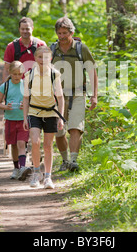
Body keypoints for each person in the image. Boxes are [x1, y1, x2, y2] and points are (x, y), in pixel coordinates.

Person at [51, 17, 98, 172]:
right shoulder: (52, 50)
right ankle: (64, 160)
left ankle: (73, 160)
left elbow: (92, 72)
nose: (62, 36)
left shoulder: (81, 48)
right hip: (57, 96)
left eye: (65, 33)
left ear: (71, 32)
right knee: (59, 131)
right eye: (59, 33)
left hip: (78, 93)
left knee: (75, 128)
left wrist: (94, 95)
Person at [23, 46, 65, 189]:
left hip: (51, 113)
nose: (42, 60)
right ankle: (36, 173)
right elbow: (26, 98)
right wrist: (24, 118)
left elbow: (60, 97)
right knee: (35, 141)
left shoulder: (54, 74)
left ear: (50, 59)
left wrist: (61, 117)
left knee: (47, 146)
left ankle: (47, 177)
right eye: (40, 57)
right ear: (35, 58)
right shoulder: (29, 75)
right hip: (34, 112)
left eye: (46, 57)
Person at [0, 61, 32, 180]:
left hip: (23, 120)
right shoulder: (5, 86)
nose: (17, 76)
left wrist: (25, 106)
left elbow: (31, 102)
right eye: (15, 74)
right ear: (10, 73)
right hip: (10, 120)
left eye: (19, 74)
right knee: (14, 145)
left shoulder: (25, 85)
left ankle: (22, 168)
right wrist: (5, 106)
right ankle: (16, 168)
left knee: (22, 143)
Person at [2, 17, 46, 81]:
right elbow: (6, 70)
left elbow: (47, 67)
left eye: (27, 29)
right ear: (19, 29)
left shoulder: (41, 45)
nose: (25, 31)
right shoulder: (11, 46)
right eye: (22, 29)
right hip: (18, 85)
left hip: (37, 85)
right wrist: (5, 87)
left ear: (32, 28)